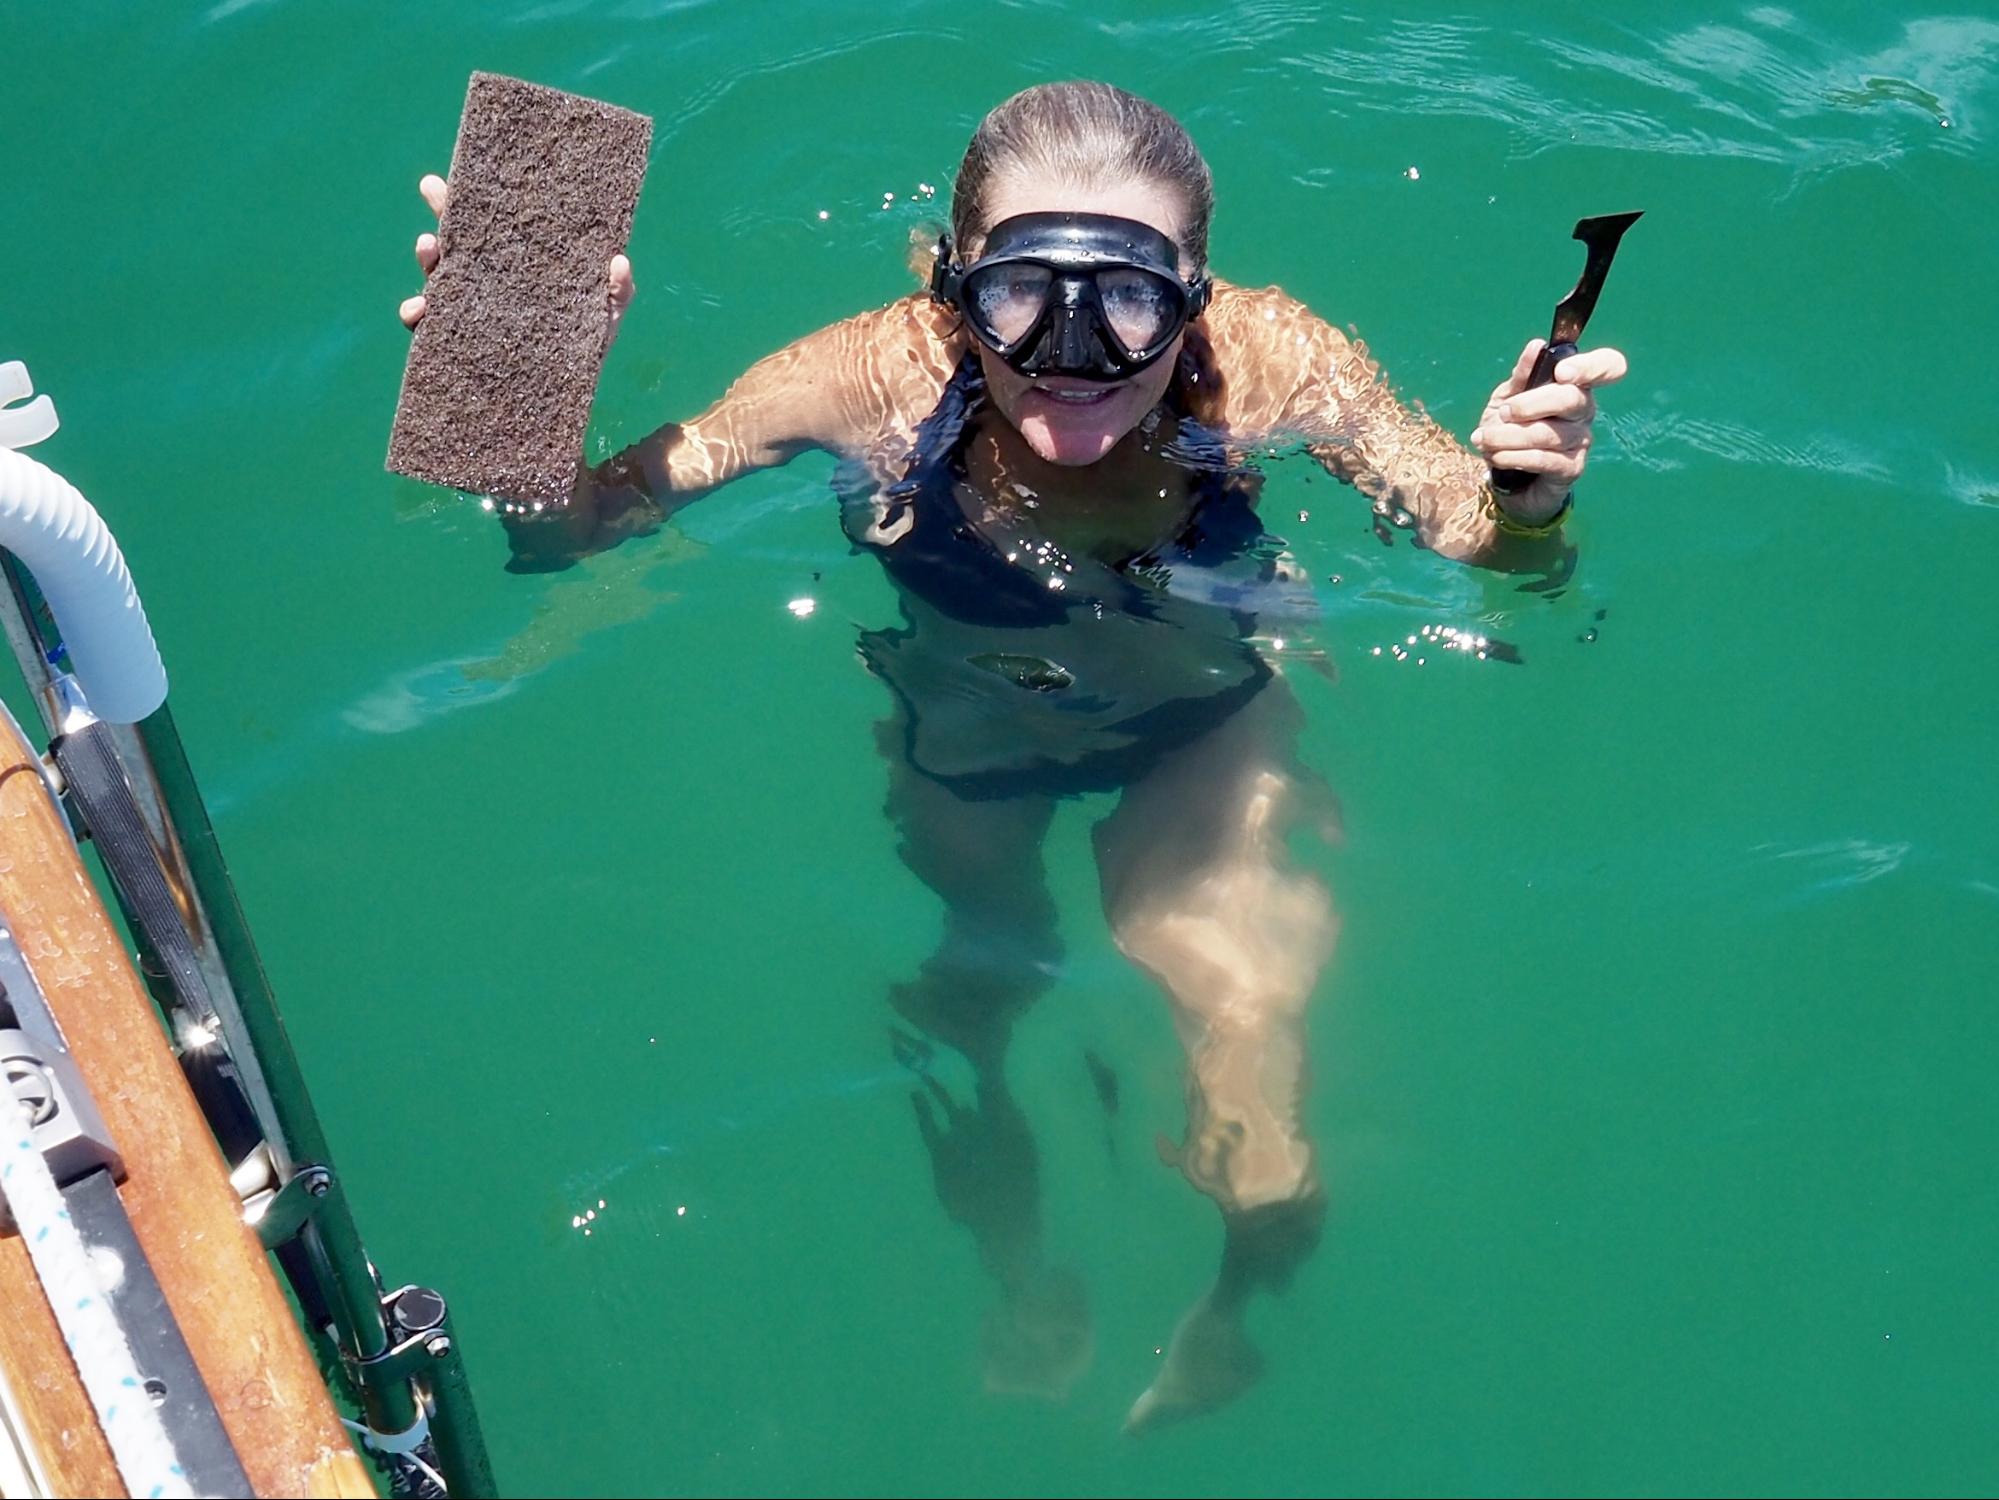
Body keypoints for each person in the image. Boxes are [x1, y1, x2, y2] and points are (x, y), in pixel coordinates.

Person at [400, 80, 1626, 1430]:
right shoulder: (859, 380)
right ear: (952, 289)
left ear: (1199, 297)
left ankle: (1242, 1316)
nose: (1075, 354)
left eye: (1134, 303)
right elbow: (574, 537)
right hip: (964, 734)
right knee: (971, 1014)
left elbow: (1468, 533)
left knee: (1257, 1094)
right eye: (1023, 300)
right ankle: (1020, 1280)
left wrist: (1523, 496)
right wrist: (513, 404)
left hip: (1199, 731)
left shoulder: (1276, 362)